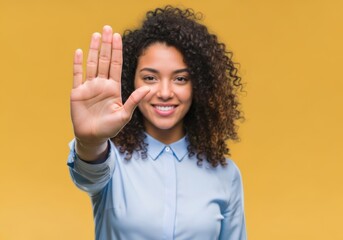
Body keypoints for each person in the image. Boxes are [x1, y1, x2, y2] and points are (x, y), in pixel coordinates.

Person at [67, 5, 246, 240]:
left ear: (199, 87)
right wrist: (90, 141)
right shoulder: (112, 160)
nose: (164, 92)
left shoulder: (226, 175)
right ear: (131, 82)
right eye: (150, 78)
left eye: (180, 79)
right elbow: (88, 174)